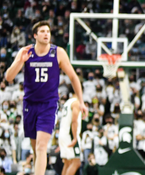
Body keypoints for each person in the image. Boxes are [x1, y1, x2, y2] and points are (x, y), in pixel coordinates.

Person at [5, 21, 87, 175]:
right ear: (35, 35)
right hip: (30, 104)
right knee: (36, 149)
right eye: (42, 31)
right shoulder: (26, 52)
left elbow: (74, 78)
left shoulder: (58, 52)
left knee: (42, 147)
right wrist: (20, 61)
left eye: (48, 31)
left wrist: (81, 102)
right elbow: (9, 77)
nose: (46, 34)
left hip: (48, 105)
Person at [58, 96, 82, 175]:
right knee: (76, 162)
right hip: (70, 134)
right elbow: (74, 121)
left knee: (67, 163)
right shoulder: (76, 102)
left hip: (63, 133)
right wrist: (75, 138)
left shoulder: (67, 103)